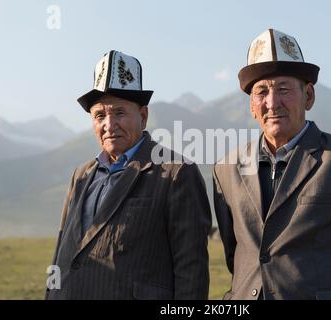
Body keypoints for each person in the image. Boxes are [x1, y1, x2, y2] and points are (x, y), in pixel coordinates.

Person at [213, 29, 331, 300]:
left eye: (283, 89)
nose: (272, 103)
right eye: (261, 92)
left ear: (308, 96)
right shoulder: (226, 170)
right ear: (252, 105)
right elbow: (236, 254)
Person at [46, 50, 211, 299]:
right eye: (100, 115)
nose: (109, 125)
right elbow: (61, 251)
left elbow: (192, 271)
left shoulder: (177, 172)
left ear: (142, 116)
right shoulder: (80, 175)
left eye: (119, 113)